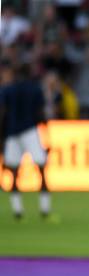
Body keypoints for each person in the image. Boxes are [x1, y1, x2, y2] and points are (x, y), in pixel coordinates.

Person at [0, 64, 55, 221]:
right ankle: (45, 209)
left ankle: (18, 210)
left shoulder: (7, 90)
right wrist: (46, 135)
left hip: (12, 133)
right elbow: (41, 113)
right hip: (30, 131)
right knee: (42, 169)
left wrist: (2, 137)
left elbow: (2, 113)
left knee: (14, 172)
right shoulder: (35, 89)